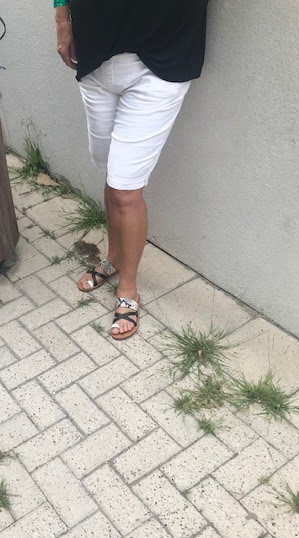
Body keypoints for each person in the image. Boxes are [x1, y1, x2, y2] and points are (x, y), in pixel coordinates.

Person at [54, 0, 209, 339]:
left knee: (125, 189)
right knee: (111, 172)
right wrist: (62, 15)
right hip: (95, 56)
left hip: (160, 59)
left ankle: (129, 288)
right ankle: (113, 257)